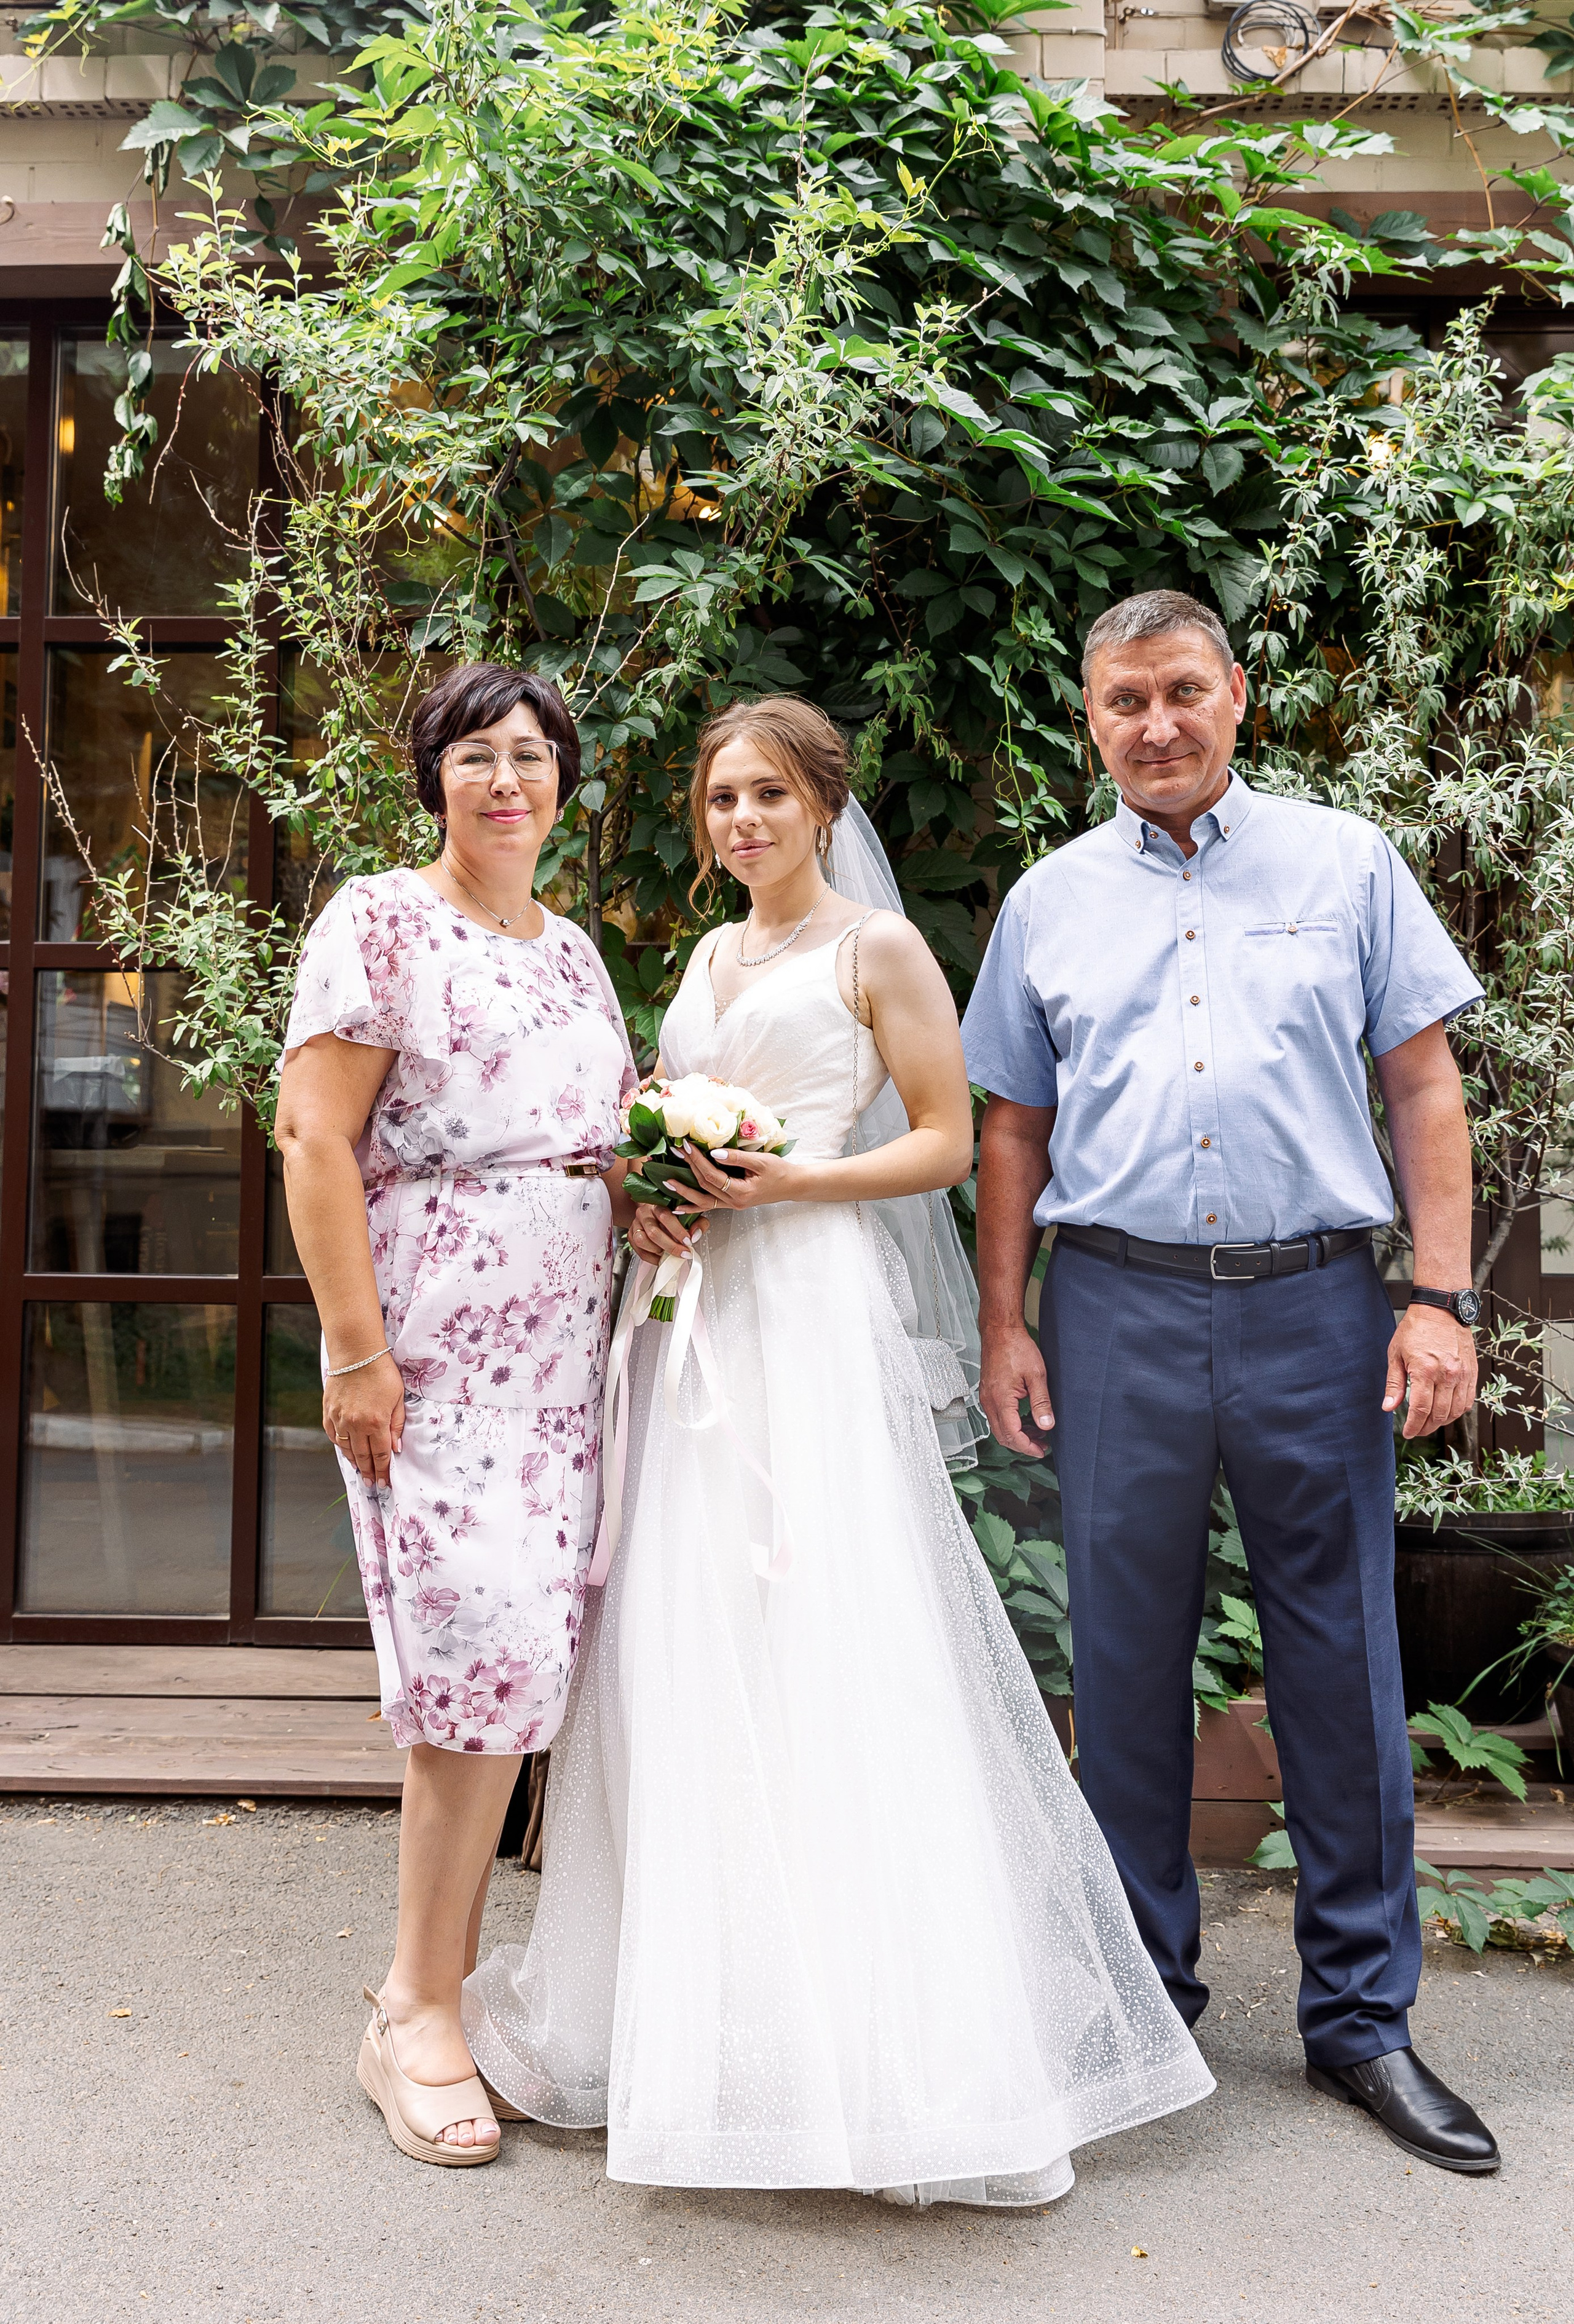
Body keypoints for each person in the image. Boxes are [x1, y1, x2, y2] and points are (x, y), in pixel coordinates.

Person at [464, 695, 1214, 2206]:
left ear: (820, 804)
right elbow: (657, 1133)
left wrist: (782, 1185)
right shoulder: (705, 959)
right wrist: (656, 1197)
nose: (740, 819)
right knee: (689, 1638)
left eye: (766, 794)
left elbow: (944, 1137)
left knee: (824, 1630)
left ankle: (882, 2052)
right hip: (690, 1316)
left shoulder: (878, 950)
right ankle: (702, 2016)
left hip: (805, 1315)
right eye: (719, 797)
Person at [963, 589, 1498, 2176]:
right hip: (1114, 1308)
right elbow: (1011, 1131)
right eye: (1124, 701)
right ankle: (1145, 2012)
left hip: (1315, 1309)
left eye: (1182, 691)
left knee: (1341, 1662)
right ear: (1090, 720)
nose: (1158, 724)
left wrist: (1438, 1301)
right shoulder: (1048, 901)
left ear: (1238, 695)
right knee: (1124, 1663)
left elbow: (1423, 1085)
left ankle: (1364, 2022)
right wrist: (1005, 1324)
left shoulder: (1347, 865)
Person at [275, 663, 636, 2167]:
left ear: (563, 784)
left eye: (531, 757)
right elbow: (312, 1135)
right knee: (472, 1666)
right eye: (476, 755)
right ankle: (411, 2012)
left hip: (569, 1366)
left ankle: (452, 1991)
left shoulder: (573, 951)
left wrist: (655, 1195)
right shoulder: (379, 919)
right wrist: (356, 1353)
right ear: (433, 777)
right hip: (434, 1359)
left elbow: (590, 1144)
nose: (505, 781)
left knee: (523, 1671)